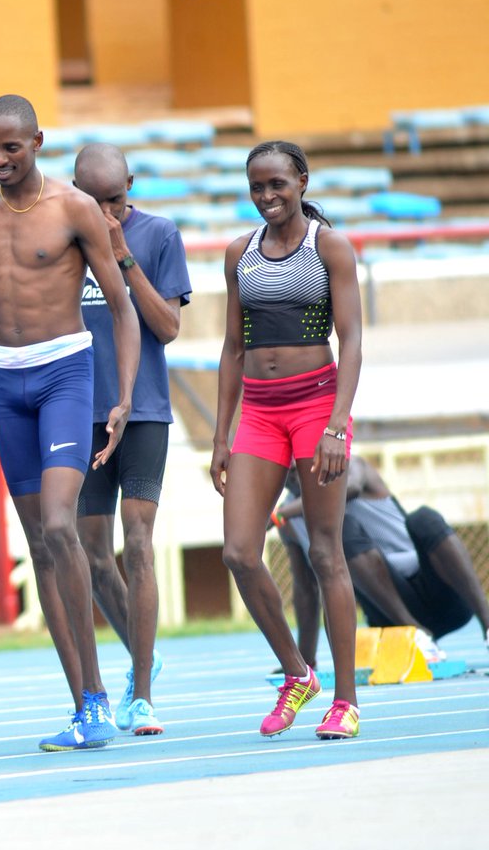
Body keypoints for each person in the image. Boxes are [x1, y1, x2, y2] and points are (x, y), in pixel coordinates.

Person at [0, 96, 140, 752]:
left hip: (65, 372)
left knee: (62, 527)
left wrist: (122, 397)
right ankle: (84, 702)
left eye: (12, 147)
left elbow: (120, 308)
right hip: (4, 381)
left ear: (37, 141)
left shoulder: (74, 207)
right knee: (38, 543)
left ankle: (99, 696)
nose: (0, 159)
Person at [211, 140, 363, 740]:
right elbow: (233, 347)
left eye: (277, 183)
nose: (267, 196)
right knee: (238, 552)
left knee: (325, 552)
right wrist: (221, 437)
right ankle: (299, 674)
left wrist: (336, 425)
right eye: (257, 187)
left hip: (316, 408)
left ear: (302, 180)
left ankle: (346, 701)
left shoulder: (329, 247)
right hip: (259, 413)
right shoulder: (239, 253)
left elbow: (351, 340)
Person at [72, 143, 192, 736]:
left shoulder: (158, 234)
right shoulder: (63, 235)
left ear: (132, 186)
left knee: (138, 544)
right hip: (79, 413)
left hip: (142, 411)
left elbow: (167, 328)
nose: (106, 213)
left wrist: (122, 258)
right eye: (93, 202)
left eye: (115, 201)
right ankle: (142, 652)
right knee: (93, 555)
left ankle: (141, 694)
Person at [274, 458, 489, 663]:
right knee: (339, 537)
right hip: (390, 619)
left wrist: (279, 515)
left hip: (444, 598)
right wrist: (305, 660)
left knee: (424, 518)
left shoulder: (352, 466)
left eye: (297, 458)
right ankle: (417, 635)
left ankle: (487, 623)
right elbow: (306, 589)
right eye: (286, 463)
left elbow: (351, 488)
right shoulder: (289, 522)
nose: (292, 467)